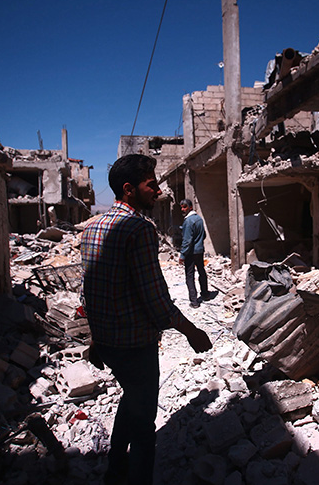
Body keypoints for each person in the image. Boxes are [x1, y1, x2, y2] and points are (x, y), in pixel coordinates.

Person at [81, 154, 212, 485]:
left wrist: (95, 338)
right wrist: (191, 330)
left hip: (109, 343)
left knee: (131, 399)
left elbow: (92, 290)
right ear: (129, 190)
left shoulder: (92, 226)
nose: (158, 191)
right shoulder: (139, 228)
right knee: (143, 429)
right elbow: (156, 301)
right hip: (135, 346)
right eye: (151, 185)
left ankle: (114, 469)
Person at [179, 199, 217, 308]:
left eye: (185, 207)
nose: (182, 209)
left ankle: (194, 301)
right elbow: (203, 235)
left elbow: (187, 241)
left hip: (190, 253)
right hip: (199, 251)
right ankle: (205, 294)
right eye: (181, 207)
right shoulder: (199, 219)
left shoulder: (188, 221)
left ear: (190, 207)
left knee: (189, 276)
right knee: (201, 271)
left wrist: (182, 255)